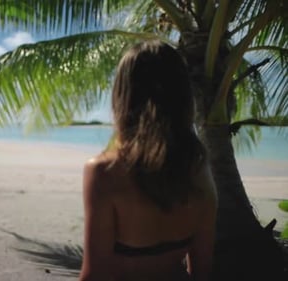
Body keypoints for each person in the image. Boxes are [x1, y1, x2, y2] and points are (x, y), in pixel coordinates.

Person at [79, 40, 217, 281]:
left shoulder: (104, 171)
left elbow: (94, 275)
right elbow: (202, 271)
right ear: (183, 98)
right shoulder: (198, 168)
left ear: (123, 96)